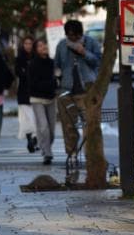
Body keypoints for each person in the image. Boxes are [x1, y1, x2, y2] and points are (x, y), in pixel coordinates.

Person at [54, 19, 102, 162]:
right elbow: (57, 64)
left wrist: (84, 52)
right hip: (66, 89)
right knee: (68, 125)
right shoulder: (62, 45)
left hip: (86, 89)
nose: (73, 39)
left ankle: (90, 155)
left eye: (76, 36)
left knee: (89, 124)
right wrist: (57, 74)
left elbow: (98, 62)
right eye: (70, 36)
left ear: (81, 34)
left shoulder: (91, 42)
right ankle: (72, 153)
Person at [27, 38, 59, 166]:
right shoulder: (32, 64)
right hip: (37, 98)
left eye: (44, 44)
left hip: (51, 98)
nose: (43, 47)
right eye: (39, 46)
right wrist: (50, 84)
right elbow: (32, 84)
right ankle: (47, 153)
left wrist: (56, 84)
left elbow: (57, 77)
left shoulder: (52, 63)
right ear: (35, 49)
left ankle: (44, 145)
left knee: (51, 130)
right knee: (43, 127)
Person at [15, 35, 37, 153]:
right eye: (26, 43)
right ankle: (30, 139)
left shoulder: (37, 57)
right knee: (26, 119)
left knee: (36, 117)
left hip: (37, 92)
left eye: (30, 43)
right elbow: (18, 72)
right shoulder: (19, 58)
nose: (28, 46)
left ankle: (35, 138)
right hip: (23, 92)